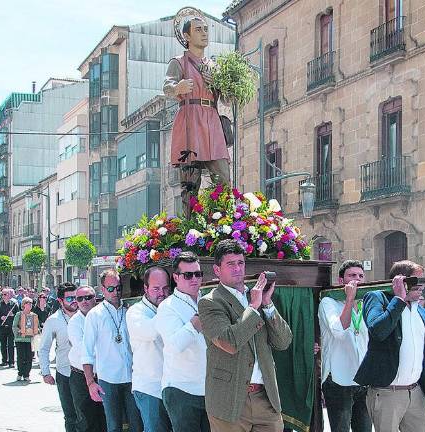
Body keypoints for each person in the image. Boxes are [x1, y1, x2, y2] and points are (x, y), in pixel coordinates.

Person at [198, 240, 293, 432]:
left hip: (265, 398)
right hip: (229, 401)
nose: (237, 269)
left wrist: (267, 305)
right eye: (230, 264)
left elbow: (283, 341)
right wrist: (253, 307)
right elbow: (229, 342)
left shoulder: (257, 297)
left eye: (240, 263)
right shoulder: (210, 303)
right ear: (217, 270)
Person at [354, 260, 425, 432]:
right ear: (400, 281)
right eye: (415, 283)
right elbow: (378, 331)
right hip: (387, 393)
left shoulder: (420, 310)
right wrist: (399, 299)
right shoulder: (377, 298)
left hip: (415, 393)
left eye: (423, 283)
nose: (421, 288)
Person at [164, 16, 231, 217]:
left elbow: (227, 99)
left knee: (223, 177)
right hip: (189, 123)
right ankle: (189, 227)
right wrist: (178, 87)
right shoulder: (178, 62)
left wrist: (219, 83)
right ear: (186, 36)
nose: (204, 33)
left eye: (205, 29)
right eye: (198, 30)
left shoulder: (215, 66)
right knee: (190, 182)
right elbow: (167, 87)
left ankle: (223, 222)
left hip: (211, 121)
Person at [156, 252, 210, 432]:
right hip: (181, 390)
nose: (194, 279)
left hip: (209, 389)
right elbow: (174, 345)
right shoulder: (167, 306)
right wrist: (195, 322)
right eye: (188, 275)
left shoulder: (207, 300)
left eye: (198, 274)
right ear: (176, 277)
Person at [82, 270, 142, 432]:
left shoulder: (130, 310)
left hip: (132, 377)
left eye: (118, 288)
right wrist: (90, 383)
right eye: (111, 288)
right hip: (108, 380)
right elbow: (86, 352)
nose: (116, 292)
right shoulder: (95, 315)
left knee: (137, 425)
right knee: (114, 426)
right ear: (102, 289)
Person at [317, 260, 371, 432]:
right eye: (352, 275)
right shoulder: (328, 302)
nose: (357, 280)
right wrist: (349, 299)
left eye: (361, 276)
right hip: (338, 379)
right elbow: (339, 331)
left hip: (363, 379)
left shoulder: (365, 304)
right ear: (341, 281)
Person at [127, 267, 172, 432]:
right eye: (156, 288)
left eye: (166, 288)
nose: (162, 293)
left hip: (172, 386)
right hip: (149, 388)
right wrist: (170, 308)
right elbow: (151, 332)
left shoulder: (168, 307)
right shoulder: (135, 312)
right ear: (145, 288)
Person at [39, 283, 80, 432]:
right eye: (70, 298)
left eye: (76, 297)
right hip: (65, 373)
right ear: (60, 300)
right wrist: (46, 372)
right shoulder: (53, 320)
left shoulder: (87, 315)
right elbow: (43, 348)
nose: (74, 301)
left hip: (86, 373)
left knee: (87, 415)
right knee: (70, 415)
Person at [68, 286, 107, 432]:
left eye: (88, 297)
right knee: (86, 419)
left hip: (103, 375)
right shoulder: (75, 322)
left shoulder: (103, 316)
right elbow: (84, 349)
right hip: (81, 376)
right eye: (80, 298)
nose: (84, 301)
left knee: (105, 418)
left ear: (95, 298)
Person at [12, 297, 39, 381]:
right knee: (21, 357)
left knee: (29, 357)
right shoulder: (19, 314)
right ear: (24, 304)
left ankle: (27, 374)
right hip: (20, 339)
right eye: (28, 303)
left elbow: (36, 327)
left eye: (31, 303)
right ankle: (20, 373)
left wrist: (36, 330)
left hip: (30, 340)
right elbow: (14, 326)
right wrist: (20, 331)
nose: (30, 305)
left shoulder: (34, 315)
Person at [0, 288, 19, 367]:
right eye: (2, 294)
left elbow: (18, 315)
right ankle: (4, 360)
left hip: (11, 327)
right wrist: (0, 317)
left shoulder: (14, 304)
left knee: (11, 345)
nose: (3, 296)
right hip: (2, 326)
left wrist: (13, 315)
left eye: (5, 294)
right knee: (3, 345)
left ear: (9, 295)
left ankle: (11, 362)